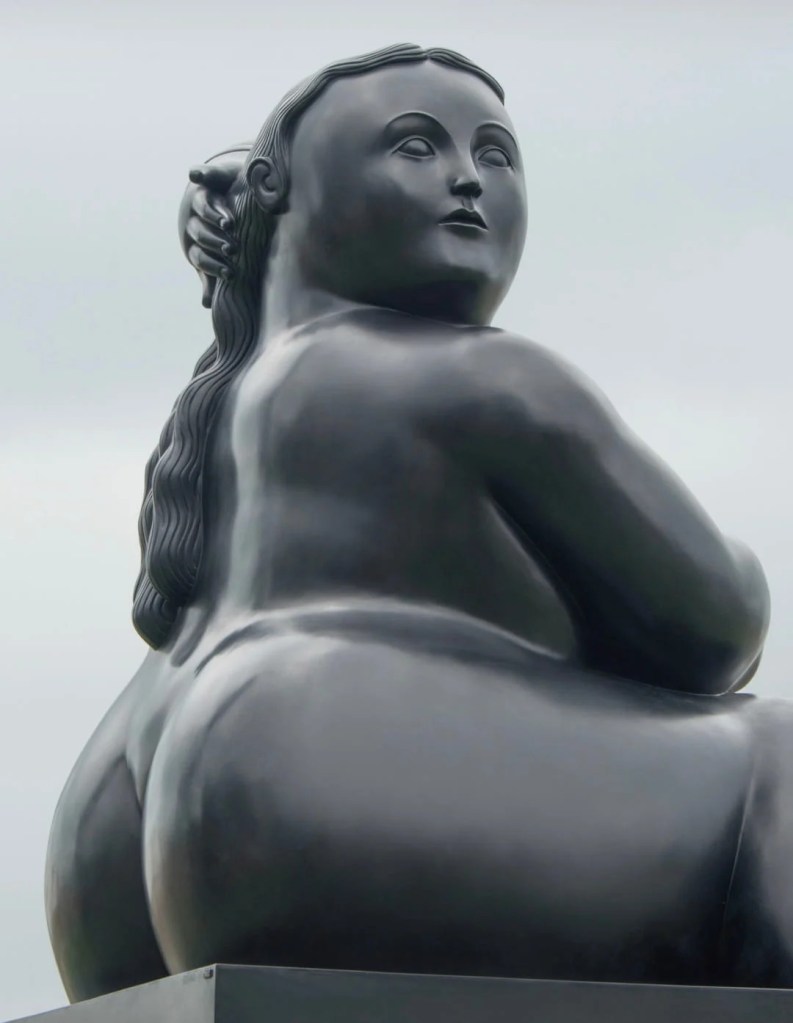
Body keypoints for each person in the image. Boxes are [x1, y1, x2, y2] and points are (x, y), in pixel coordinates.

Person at [46, 44, 792, 1003]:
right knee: (777, 755)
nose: (466, 182)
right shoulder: (485, 377)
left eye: (494, 155)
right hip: (316, 782)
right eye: (413, 147)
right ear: (301, 196)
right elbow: (715, 628)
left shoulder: (235, 394)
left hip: (114, 838)